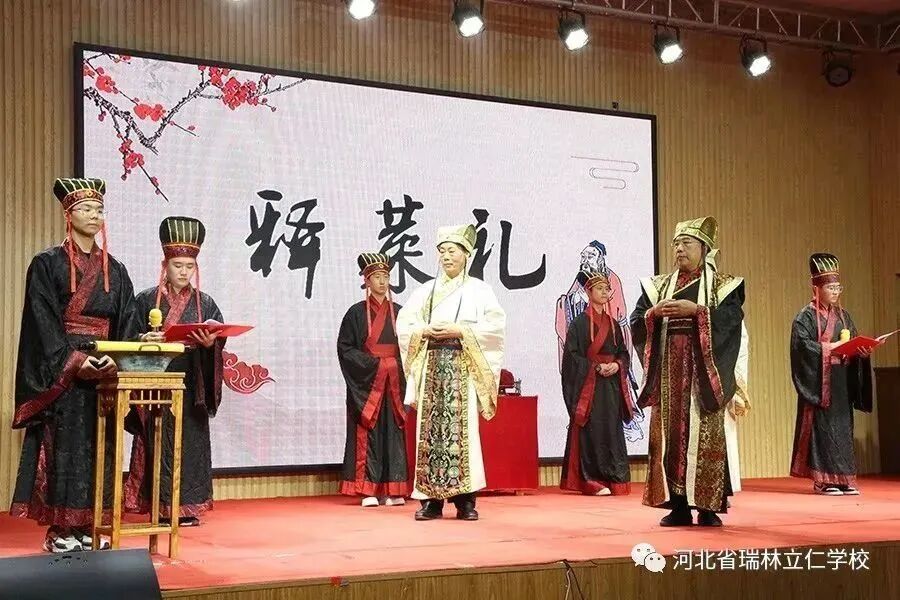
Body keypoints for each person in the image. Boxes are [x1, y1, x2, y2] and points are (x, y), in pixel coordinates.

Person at [10, 178, 136, 552]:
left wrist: (117, 358)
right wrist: (74, 362)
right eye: (86, 209)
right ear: (69, 215)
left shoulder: (116, 270)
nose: (94, 216)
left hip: (104, 373)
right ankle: (61, 530)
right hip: (64, 373)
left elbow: (127, 320)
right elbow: (41, 321)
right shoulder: (46, 264)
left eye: (99, 210)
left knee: (101, 447)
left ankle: (90, 524)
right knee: (64, 448)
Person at [629, 216, 746, 527]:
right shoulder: (657, 287)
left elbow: (731, 321)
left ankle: (707, 508)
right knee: (671, 440)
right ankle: (678, 506)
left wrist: (698, 312)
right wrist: (653, 313)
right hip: (669, 374)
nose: (679, 249)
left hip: (703, 376)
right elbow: (636, 320)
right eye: (676, 244)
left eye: (687, 243)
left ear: (704, 249)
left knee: (705, 437)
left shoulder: (724, 286)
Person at [396, 224, 506, 521]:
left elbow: (495, 327)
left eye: (452, 251)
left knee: (463, 434)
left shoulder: (480, 291)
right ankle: (430, 501)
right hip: (432, 365)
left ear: (466, 255)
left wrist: (460, 330)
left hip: (462, 367)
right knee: (429, 434)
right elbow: (405, 324)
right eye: (442, 251)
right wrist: (423, 330)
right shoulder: (425, 291)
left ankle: (465, 500)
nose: (446, 257)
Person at [124, 216, 225, 527]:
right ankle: (158, 504)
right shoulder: (145, 299)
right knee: (157, 441)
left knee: (190, 444)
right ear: (164, 265)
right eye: (177, 265)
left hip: (191, 383)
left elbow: (218, 339)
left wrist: (210, 345)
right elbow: (126, 338)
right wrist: (143, 339)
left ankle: (186, 507)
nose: (183, 272)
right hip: (156, 383)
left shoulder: (206, 303)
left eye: (189, 266)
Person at [789, 253, 873, 495]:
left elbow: (853, 342)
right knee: (823, 428)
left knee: (842, 428)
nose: (835, 292)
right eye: (830, 287)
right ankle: (823, 480)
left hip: (841, 382)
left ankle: (844, 479)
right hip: (819, 381)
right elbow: (801, 348)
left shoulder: (844, 316)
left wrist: (862, 352)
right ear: (816, 288)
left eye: (838, 287)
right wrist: (829, 349)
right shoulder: (804, 317)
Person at [337, 253, 409, 506]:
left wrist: (394, 366)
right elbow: (346, 349)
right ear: (366, 281)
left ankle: (393, 489)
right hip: (367, 384)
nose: (382, 281)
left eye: (385, 276)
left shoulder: (400, 313)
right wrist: (377, 366)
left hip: (394, 383)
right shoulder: (355, 314)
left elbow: (410, 349)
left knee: (393, 433)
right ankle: (368, 490)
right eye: (377, 277)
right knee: (368, 432)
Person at [560, 269, 632, 496]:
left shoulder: (614, 325)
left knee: (611, 428)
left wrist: (617, 365)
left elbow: (623, 353)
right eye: (599, 289)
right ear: (589, 292)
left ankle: (613, 478)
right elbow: (572, 358)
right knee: (592, 429)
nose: (604, 292)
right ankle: (591, 479)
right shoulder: (578, 324)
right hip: (589, 387)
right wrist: (594, 367)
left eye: (606, 289)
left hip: (610, 386)